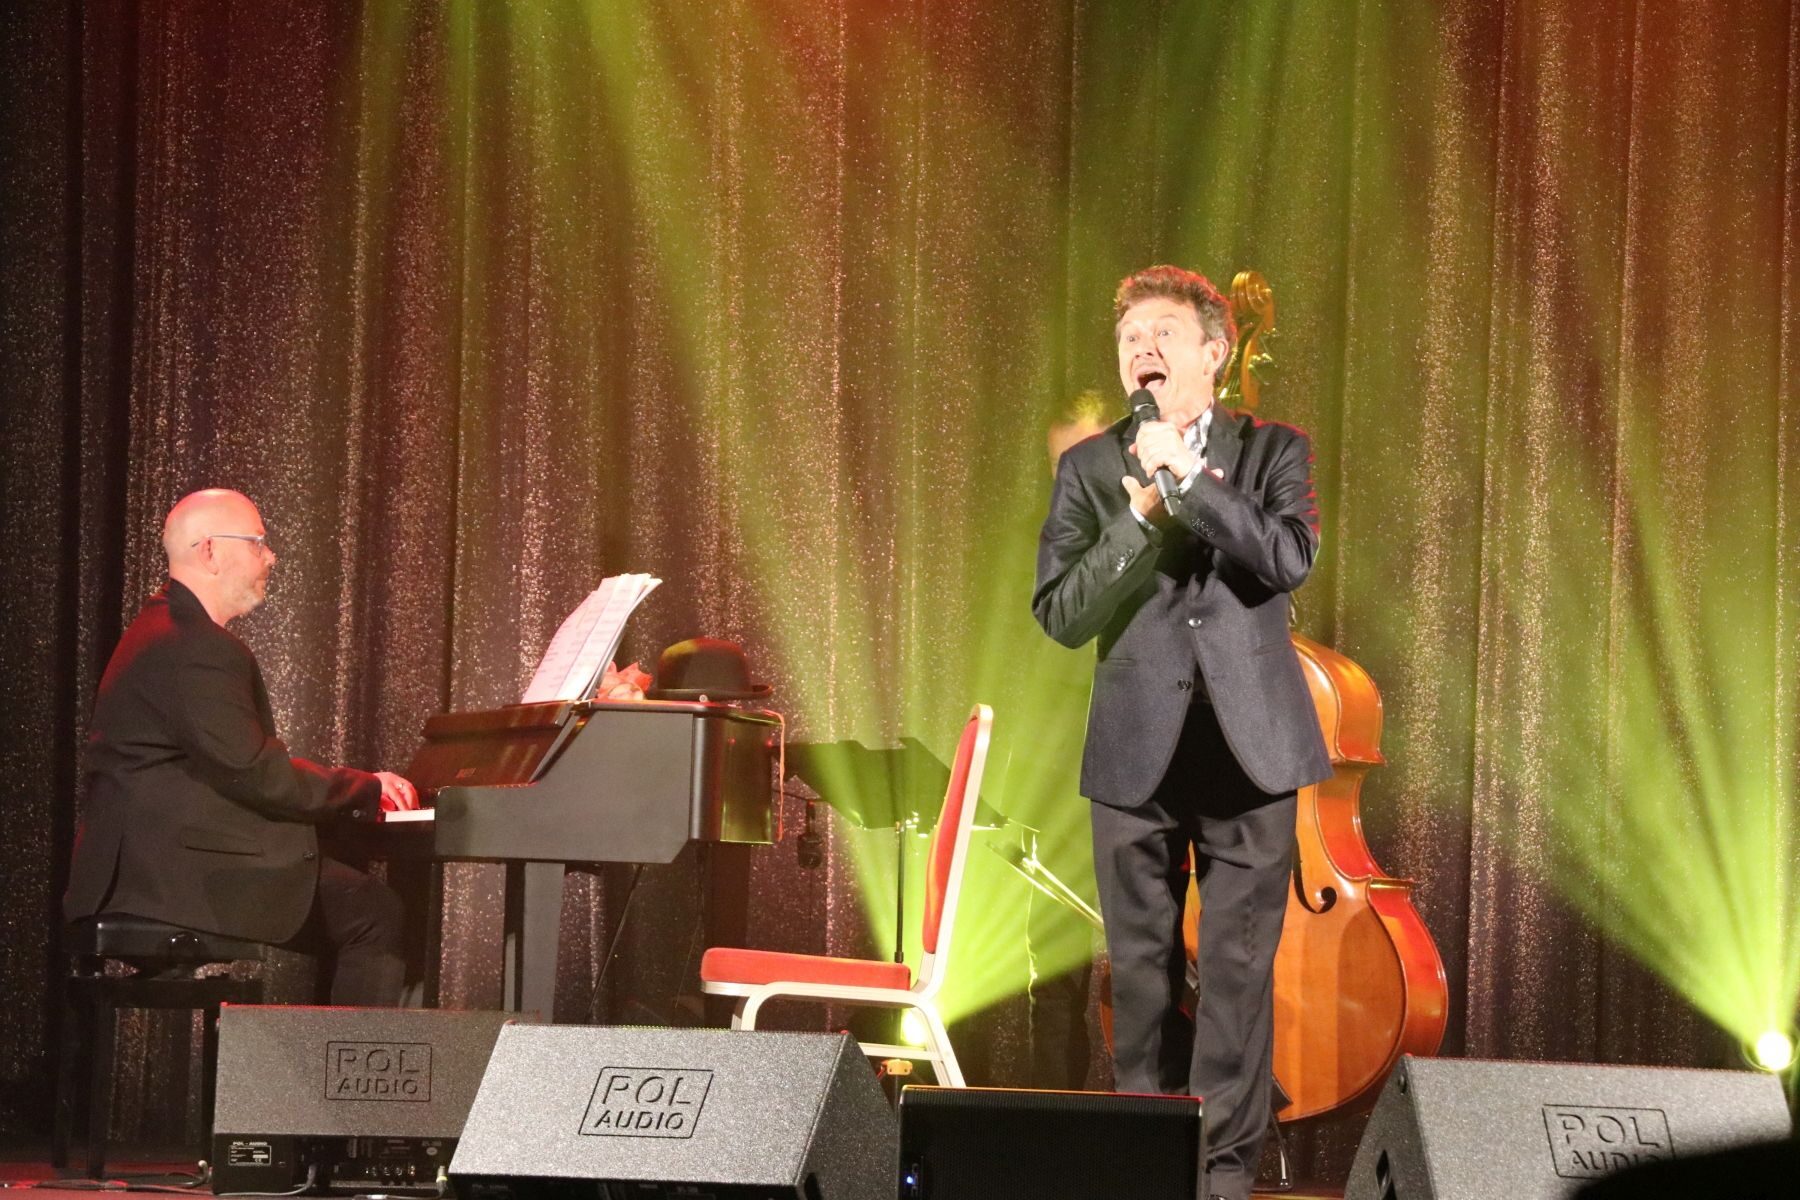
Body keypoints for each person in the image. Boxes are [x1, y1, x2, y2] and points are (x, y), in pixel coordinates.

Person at [1033, 266, 1331, 1200]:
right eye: (1130, 337)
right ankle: (1147, 1171)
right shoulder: (1090, 469)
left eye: (1163, 332)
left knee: (1237, 978)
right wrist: (1137, 516)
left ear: (1215, 352)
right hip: (1136, 749)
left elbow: (1286, 557)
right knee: (1143, 976)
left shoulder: (1273, 450)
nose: (1142, 348)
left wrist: (1191, 479)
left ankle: (1225, 1178)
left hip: (1251, 749)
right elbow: (1061, 613)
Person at [64, 488, 420, 1006]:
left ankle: (320, 1053)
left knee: (343, 888)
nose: (270, 557)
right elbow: (255, 770)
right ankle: (343, 1064)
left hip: (147, 867)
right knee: (374, 913)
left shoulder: (161, 628)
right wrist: (365, 788)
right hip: (168, 877)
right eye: (257, 542)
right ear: (210, 550)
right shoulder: (196, 646)